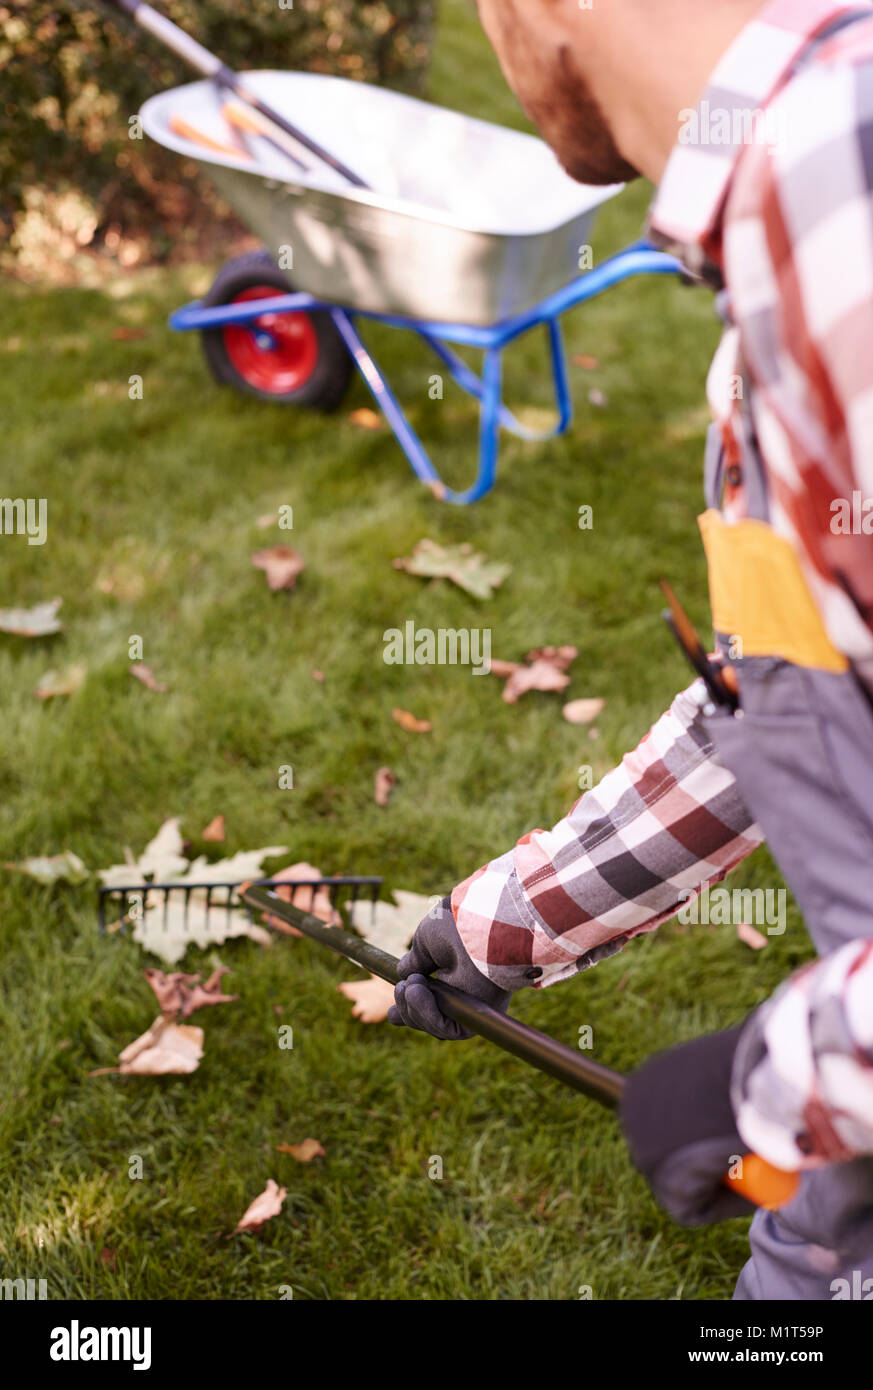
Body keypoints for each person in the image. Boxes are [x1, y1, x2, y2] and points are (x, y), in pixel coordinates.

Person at [389, 0, 873, 1301]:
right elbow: (782, 696)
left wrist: (774, 1076)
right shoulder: (788, 205)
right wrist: (504, 925)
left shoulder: (844, 178)